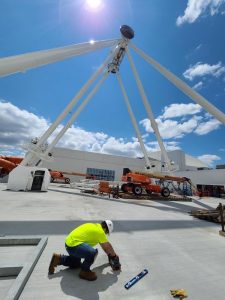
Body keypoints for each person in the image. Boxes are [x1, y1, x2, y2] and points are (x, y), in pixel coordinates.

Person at [48, 220, 120, 281]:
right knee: (92, 253)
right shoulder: (100, 232)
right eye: (107, 233)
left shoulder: (94, 226)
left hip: (69, 244)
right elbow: (107, 247)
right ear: (106, 230)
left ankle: (58, 259)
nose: (106, 234)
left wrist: (109, 256)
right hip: (74, 246)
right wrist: (114, 256)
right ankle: (85, 271)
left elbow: (104, 246)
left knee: (76, 264)